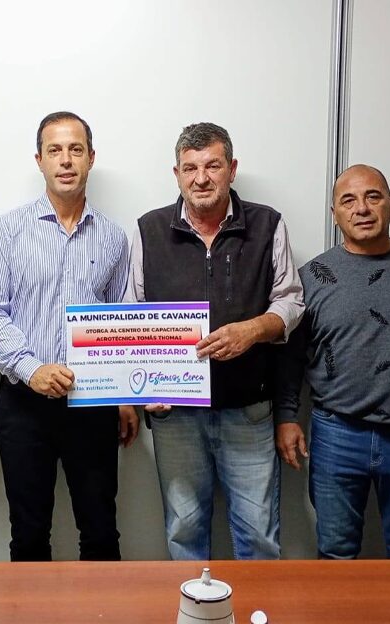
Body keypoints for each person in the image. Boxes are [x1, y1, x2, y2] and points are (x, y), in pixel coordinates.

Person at [126, 122, 304, 560]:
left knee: (259, 535)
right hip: (176, 417)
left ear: (232, 168)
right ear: (177, 174)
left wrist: (253, 330)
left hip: (249, 411)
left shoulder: (267, 224)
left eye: (213, 166)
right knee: (183, 531)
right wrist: (145, 390)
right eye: (190, 168)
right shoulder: (149, 229)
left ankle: (257, 602)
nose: (201, 178)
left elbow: (291, 301)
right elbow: (133, 315)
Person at [0, 111, 136, 562]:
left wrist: (125, 396)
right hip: (24, 406)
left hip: (93, 405)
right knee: (29, 535)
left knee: (101, 532)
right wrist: (32, 369)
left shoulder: (113, 237)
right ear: (40, 160)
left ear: (90, 158)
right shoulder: (7, 230)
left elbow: (119, 322)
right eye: (55, 150)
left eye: (75, 150)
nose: (66, 160)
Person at [274, 164, 390, 559]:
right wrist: (287, 417)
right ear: (334, 213)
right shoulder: (312, 277)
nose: (361, 208)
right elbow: (291, 358)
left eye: (373, 197)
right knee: (335, 554)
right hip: (336, 435)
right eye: (349, 200)